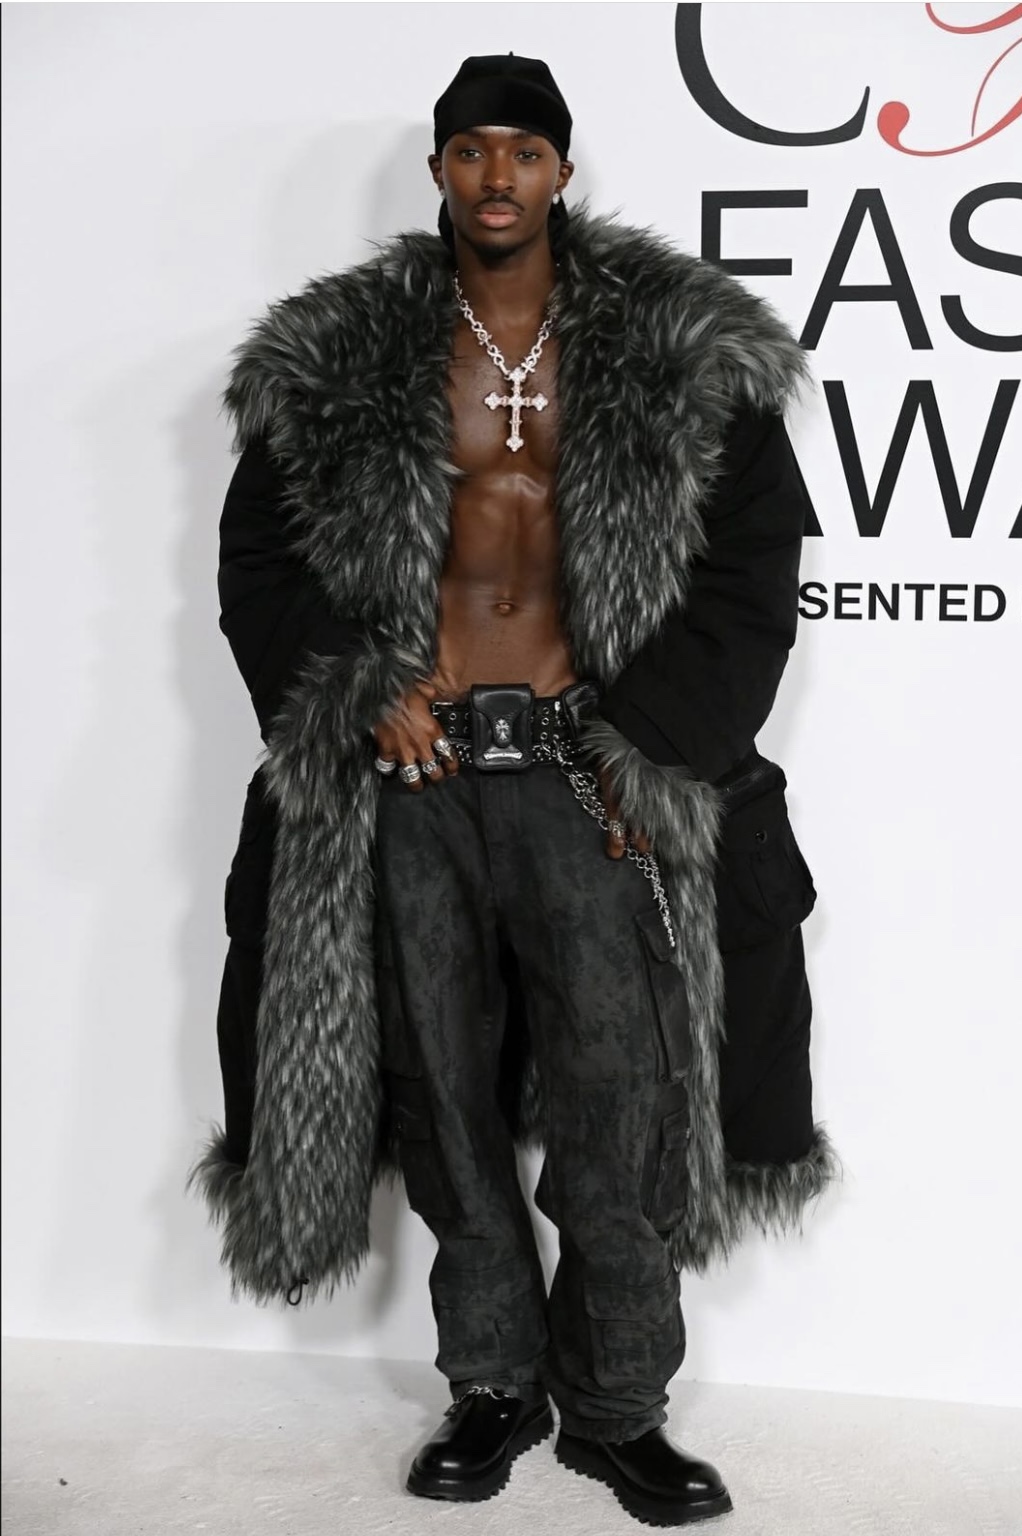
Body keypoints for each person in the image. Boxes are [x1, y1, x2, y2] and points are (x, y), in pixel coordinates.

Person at [188, 52, 842, 1527]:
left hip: (586, 771)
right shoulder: (338, 354)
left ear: (561, 170)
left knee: (621, 1100)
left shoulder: (679, 348)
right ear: (439, 170)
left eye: (523, 151)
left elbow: (753, 571)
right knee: (443, 1100)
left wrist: (645, 738)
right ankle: (490, 1385)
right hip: (413, 773)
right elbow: (259, 565)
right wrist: (361, 684)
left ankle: (618, 1408)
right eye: (471, 149)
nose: (497, 175)